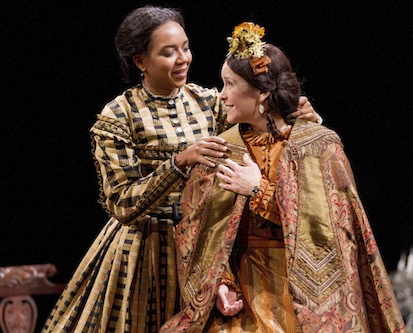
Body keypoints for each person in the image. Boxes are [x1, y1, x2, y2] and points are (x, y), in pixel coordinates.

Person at [42, 7, 319, 333]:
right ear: (140, 61)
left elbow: (257, 120)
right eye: (168, 52)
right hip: (146, 252)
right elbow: (121, 203)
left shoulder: (209, 102)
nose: (182, 59)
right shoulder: (119, 116)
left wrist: (295, 117)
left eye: (185, 48)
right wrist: (178, 163)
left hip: (206, 245)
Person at [160, 22, 406, 332]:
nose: (221, 96)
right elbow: (200, 230)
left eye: (229, 84)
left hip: (305, 294)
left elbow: (328, 234)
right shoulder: (223, 149)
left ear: (262, 92)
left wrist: (257, 188)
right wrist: (220, 282)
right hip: (244, 290)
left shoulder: (317, 146)